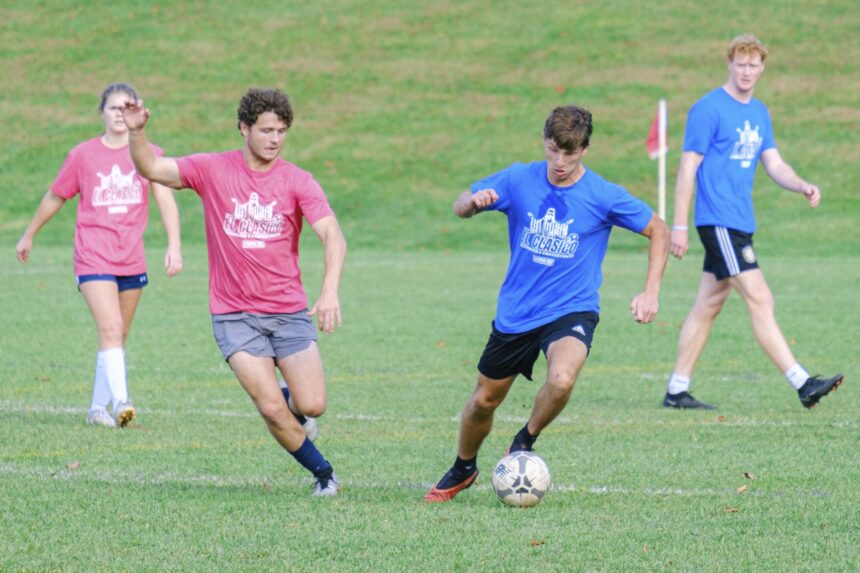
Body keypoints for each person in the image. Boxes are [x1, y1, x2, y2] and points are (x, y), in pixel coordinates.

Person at [424, 105, 669, 502]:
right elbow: (460, 204)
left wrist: (651, 291)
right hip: (518, 311)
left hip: (571, 308)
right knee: (483, 401)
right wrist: (471, 203)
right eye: (553, 149)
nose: (559, 161)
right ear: (544, 141)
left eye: (569, 153)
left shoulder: (602, 195)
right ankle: (463, 467)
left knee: (562, 378)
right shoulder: (519, 179)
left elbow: (659, 229)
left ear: (584, 150)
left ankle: (524, 440)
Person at [120, 88, 346, 496]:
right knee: (270, 408)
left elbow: (333, 234)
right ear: (244, 128)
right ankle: (324, 474)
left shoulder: (297, 180)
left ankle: (292, 404)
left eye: (281, 131)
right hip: (234, 315)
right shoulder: (212, 169)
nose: (274, 139)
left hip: (288, 310)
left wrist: (329, 291)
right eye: (266, 130)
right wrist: (137, 133)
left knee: (312, 404)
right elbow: (150, 167)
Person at [664, 33, 844, 410]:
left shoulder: (759, 112)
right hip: (718, 221)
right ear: (729, 64)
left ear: (762, 68)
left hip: (740, 221)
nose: (746, 71)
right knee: (761, 298)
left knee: (708, 304)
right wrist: (678, 226)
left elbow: (774, 163)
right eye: (740, 64)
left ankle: (677, 390)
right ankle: (803, 383)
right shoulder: (708, 109)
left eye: (753, 65)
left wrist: (801, 185)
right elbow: (687, 168)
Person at [15, 83, 183, 429]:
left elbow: (166, 201)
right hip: (93, 255)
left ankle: (96, 409)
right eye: (113, 108)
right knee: (110, 328)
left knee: (118, 335)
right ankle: (122, 402)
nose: (120, 114)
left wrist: (174, 245)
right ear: (102, 113)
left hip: (131, 257)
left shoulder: (149, 153)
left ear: (138, 111)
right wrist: (29, 234)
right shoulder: (83, 155)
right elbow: (56, 195)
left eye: (126, 108)